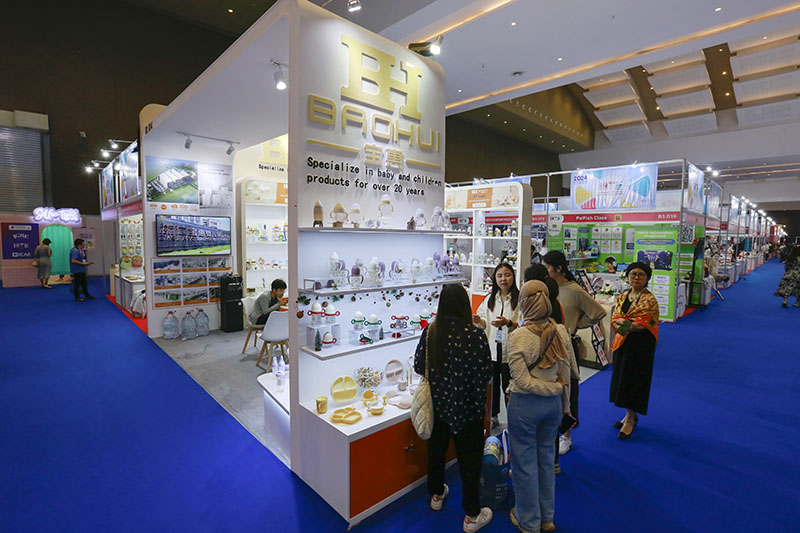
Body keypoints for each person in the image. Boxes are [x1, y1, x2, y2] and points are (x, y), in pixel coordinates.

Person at [414, 284, 493, 532]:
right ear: (464, 304)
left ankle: (436, 494)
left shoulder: (431, 332)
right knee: (470, 462)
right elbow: (485, 373)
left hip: (438, 406)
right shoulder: (475, 335)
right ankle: (471, 515)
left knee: (436, 452)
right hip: (468, 409)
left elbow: (418, 365)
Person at [507, 280, 575, 533]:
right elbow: (566, 373)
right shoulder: (561, 331)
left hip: (525, 406)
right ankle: (547, 517)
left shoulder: (517, 337)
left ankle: (528, 521)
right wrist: (564, 403)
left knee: (524, 464)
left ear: (524, 304)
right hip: (552, 407)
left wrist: (553, 389)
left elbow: (523, 382)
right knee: (546, 460)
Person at [542, 250, 607, 456]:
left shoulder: (574, 290)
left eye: (547, 268)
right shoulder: (545, 288)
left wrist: (578, 324)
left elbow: (598, 312)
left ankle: (566, 435)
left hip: (566, 344)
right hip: (546, 345)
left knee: (568, 390)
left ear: (558, 268)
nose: (544, 271)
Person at [524, 263, 579, 476]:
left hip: (541, 376)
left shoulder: (540, 307)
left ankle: (538, 465)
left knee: (537, 426)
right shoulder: (554, 303)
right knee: (550, 423)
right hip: (554, 376)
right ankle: (551, 463)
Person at [609, 262, 660, 439]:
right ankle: (627, 414)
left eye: (641, 275)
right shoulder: (623, 296)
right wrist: (624, 325)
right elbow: (615, 318)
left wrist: (623, 325)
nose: (636, 277)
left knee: (635, 380)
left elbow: (642, 324)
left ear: (647, 278)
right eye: (633, 274)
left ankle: (631, 418)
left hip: (640, 345)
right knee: (622, 378)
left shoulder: (649, 300)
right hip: (623, 342)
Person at [473, 263, 520, 427]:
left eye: (507, 275)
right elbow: (484, 324)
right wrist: (478, 321)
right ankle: (493, 416)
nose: (503, 279)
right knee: (492, 387)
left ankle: (513, 418)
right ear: (495, 279)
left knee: (509, 387)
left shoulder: (519, 299)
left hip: (511, 351)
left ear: (513, 277)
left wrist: (509, 323)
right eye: (499, 276)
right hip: (492, 350)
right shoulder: (489, 299)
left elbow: (525, 324)